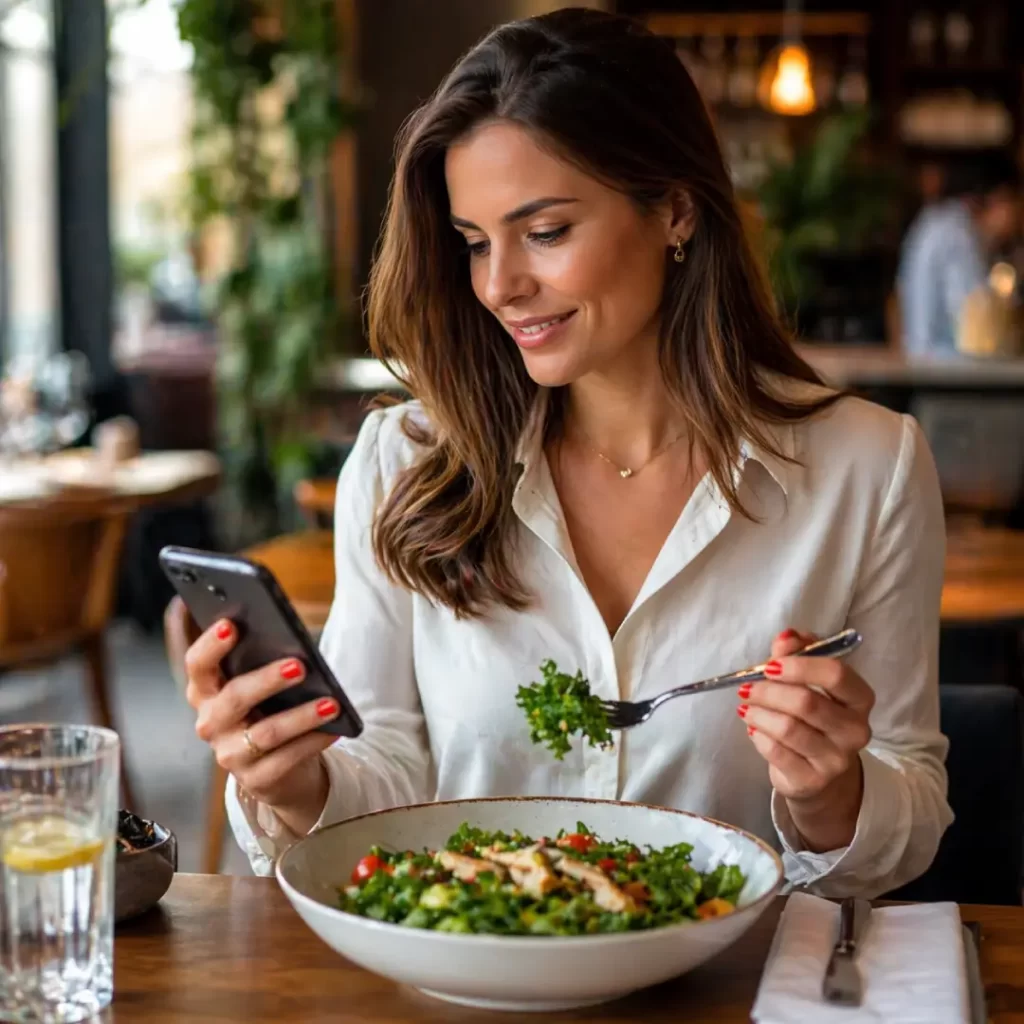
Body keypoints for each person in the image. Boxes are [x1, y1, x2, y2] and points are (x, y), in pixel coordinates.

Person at [174, 8, 951, 897]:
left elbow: (914, 807)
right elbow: (380, 768)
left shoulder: (869, 466)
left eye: (544, 233)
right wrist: (292, 778)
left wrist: (830, 793)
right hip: (469, 975)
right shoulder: (406, 461)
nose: (500, 285)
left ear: (676, 211)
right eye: (474, 243)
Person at [897, 152, 1021, 355]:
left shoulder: (939, 221)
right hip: (945, 368)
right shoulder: (957, 235)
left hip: (930, 362)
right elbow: (977, 324)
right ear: (1001, 198)